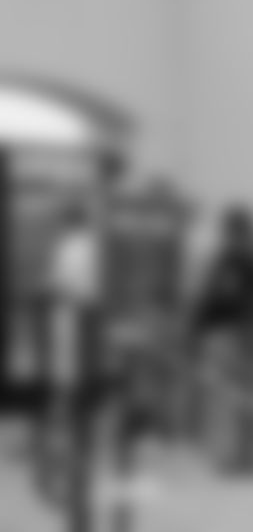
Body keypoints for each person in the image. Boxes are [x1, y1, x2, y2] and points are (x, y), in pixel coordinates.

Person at [32, 197, 104, 506]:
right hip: (79, 334)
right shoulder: (88, 246)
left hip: (71, 331)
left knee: (67, 405)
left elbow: (66, 287)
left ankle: (64, 482)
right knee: (74, 407)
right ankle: (69, 477)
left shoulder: (74, 248)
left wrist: (48, 288)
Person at [191, 206, 253, 473]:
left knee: (232, 397)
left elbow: (219, 299)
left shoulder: (235, 261)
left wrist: (198, 328)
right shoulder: (242, 260)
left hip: (234, 333)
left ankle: (238, 455)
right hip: (235, 333)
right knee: (241, 396)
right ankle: (242, 456)